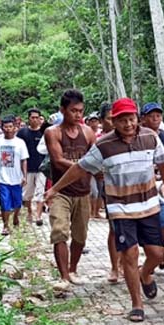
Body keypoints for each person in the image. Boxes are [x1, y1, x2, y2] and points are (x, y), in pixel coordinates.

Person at [46, 97, 164, 322]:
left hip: (149, 206)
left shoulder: (150, 137)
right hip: (121, 208)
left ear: (137, 118)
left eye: (131, 119)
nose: (128, 124)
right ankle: (137, 304)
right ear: (114, 122)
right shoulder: (103, 145)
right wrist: (54, 189)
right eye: (122, 120)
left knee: (156, 253)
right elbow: (80, 168)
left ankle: (146, 274)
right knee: (130, 254)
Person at [45, 90, 96, 290]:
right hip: (61, 192)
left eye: (80, 111)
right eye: (73, 110)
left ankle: (73, 269)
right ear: (62, 110)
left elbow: (97, 156)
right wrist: (84, 167)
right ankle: (64, 276)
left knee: (80, 236)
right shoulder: (53, 132)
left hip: (83, 191)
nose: (77, 115)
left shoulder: (88, 133)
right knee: (59, 232)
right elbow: (57, 161)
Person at [141, 102, 164, 269]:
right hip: (138, 190)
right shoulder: (137, 138)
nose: (155, 119)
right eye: (151, 115)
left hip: (160, 187)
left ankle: (159, 251)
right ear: (143, 119)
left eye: (158, 115)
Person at [97, 102, 123, 282]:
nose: (114, 123)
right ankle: (115, 267)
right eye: (110, 119)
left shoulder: (133, 137)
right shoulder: (101, 142)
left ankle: (125, 264)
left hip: (133, 191)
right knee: (115, 229)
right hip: (111, 190)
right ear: (102, 121)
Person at [0, 117, 29, 236]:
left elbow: (24, 160)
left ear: (15, 128)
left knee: (17, 202)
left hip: (16, 178)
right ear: (2, 128)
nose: (8, 129)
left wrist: (24, 176)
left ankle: (16, 217)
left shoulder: (20, 142)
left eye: (10, 127)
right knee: (4, 202)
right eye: (5, 127)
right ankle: (6, 225)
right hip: (3, 177)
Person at [17, 108, 49, 226]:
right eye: (32, 118)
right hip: (27, 167)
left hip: (41, 168)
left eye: (37, 117)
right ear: (29, 119)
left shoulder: (45, 132)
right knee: (27, 193)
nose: (35, 120)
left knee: (40, 192)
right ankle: (29, 211)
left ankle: (38, 215)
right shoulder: (22, 133)